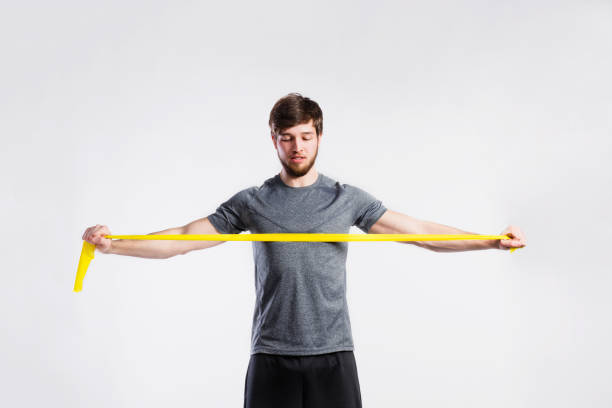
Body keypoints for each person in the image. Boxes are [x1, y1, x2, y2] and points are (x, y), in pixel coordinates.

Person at [82, 93, 527, 407]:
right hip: (271, 354)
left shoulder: (346, 198)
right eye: (288, 137)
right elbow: (182, 237)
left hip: (333, 354)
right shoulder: (252, 202)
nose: (297, 147)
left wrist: (490, 240)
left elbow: (420, 232)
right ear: (273, 139)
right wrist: (114, 246)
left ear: (319, 137)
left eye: (306, 137)